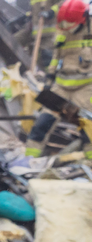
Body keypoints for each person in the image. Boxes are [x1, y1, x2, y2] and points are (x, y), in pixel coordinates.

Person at [26, 0, 92, 158]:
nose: (65, 26)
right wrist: (48, 84)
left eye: (69, 22)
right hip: (60, 87)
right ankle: (28, 161)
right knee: (42, 124)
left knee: (87, 129)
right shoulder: (62, 31)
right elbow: (56, 59)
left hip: (85, 88)